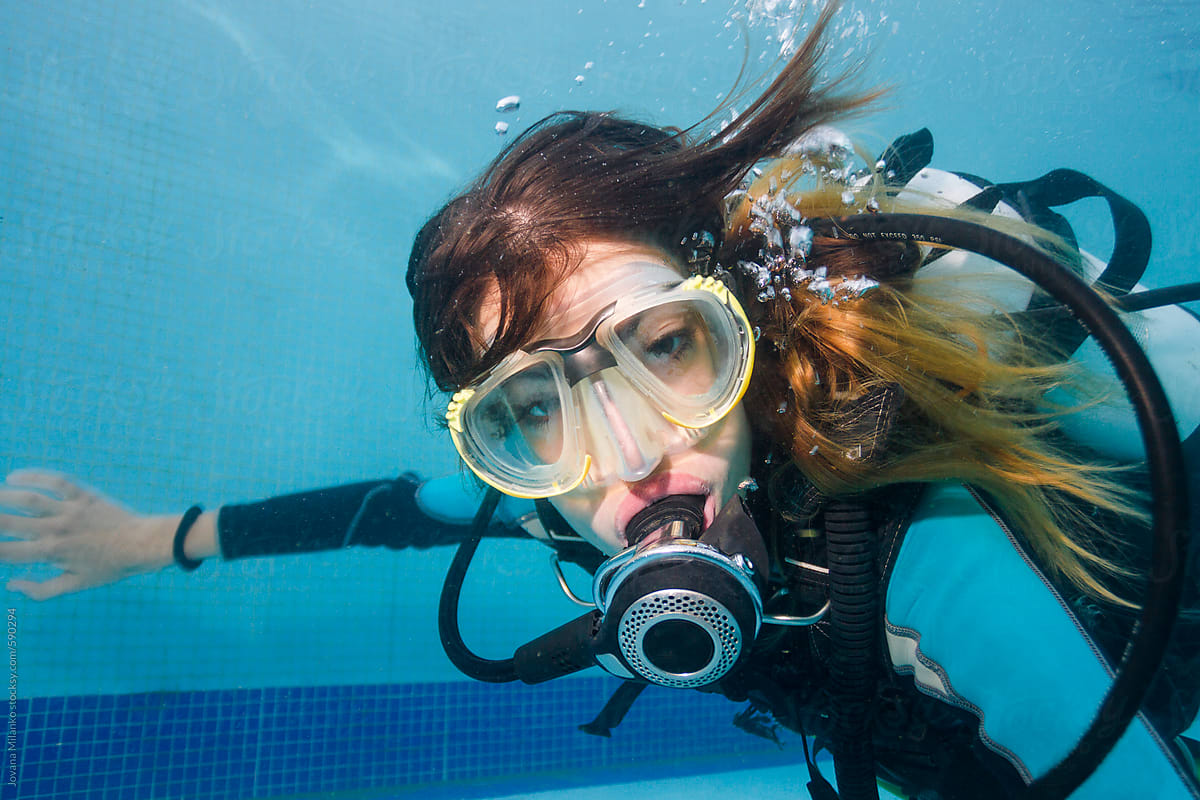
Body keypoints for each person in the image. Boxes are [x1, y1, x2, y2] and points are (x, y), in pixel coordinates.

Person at [2, 3, 1199, 797]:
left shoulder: (920, 541)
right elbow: (394, 506)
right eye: (531, 410)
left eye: (664, 347)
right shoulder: (560, 495)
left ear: (752, 329)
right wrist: (152, 538)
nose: (631, 461)